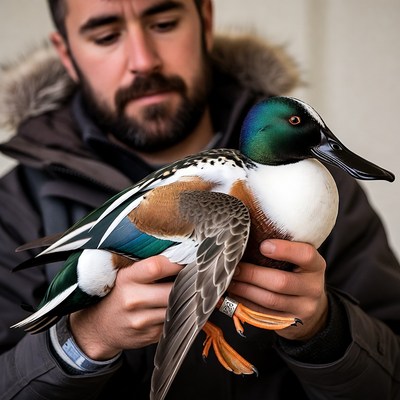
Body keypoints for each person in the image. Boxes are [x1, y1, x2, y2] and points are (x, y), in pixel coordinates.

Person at [0, 0, 399, 399]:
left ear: (205, 20)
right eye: (106, 36)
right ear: (66, 52)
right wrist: (86, 339)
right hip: (97, 259)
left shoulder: (335, 195)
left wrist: (324, 329)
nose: (143, 60)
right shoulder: (15, 206)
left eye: (164, 23)